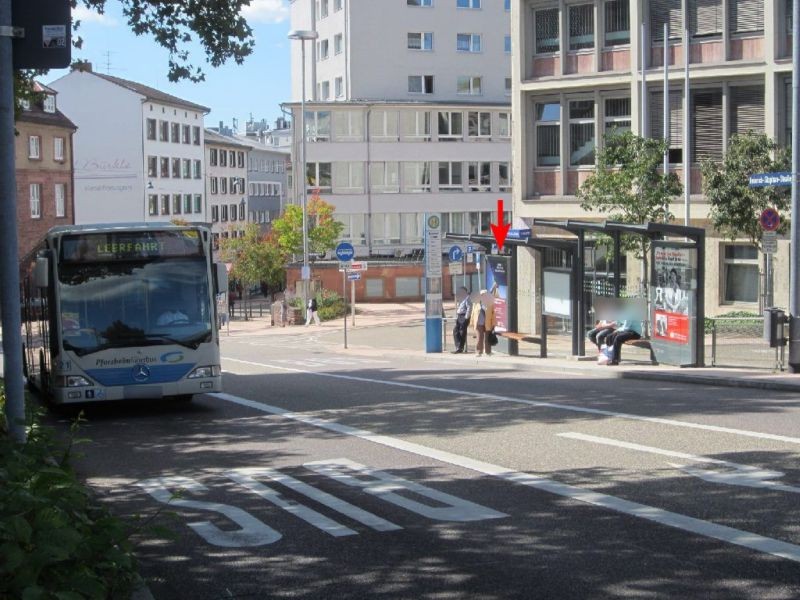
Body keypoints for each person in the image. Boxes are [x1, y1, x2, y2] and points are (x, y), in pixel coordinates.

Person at [452, 287, 472, 353]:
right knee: (455, 330)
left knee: (462, 332)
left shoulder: (467, 298)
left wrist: (466, 318)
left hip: (464, 316)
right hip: (459, 316)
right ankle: (458, 346)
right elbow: (459, 308)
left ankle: (460, 348)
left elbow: (469, 308)